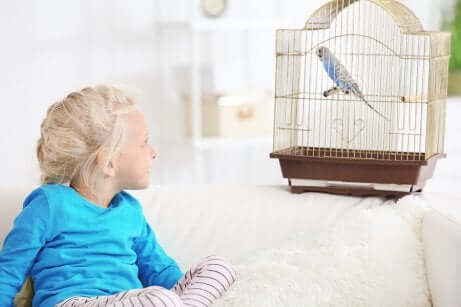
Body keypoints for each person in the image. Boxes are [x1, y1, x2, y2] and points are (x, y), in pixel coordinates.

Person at [0, 85, 236, 307]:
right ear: (108, 162)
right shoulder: (49, 204)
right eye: (144, 142)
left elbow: (160, 271)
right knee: (158, 300)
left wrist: (181, 294)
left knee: (218, 267)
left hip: (134, 300)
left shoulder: (130, 211)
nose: (153, 152)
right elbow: (9, 271)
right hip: (72, 302)